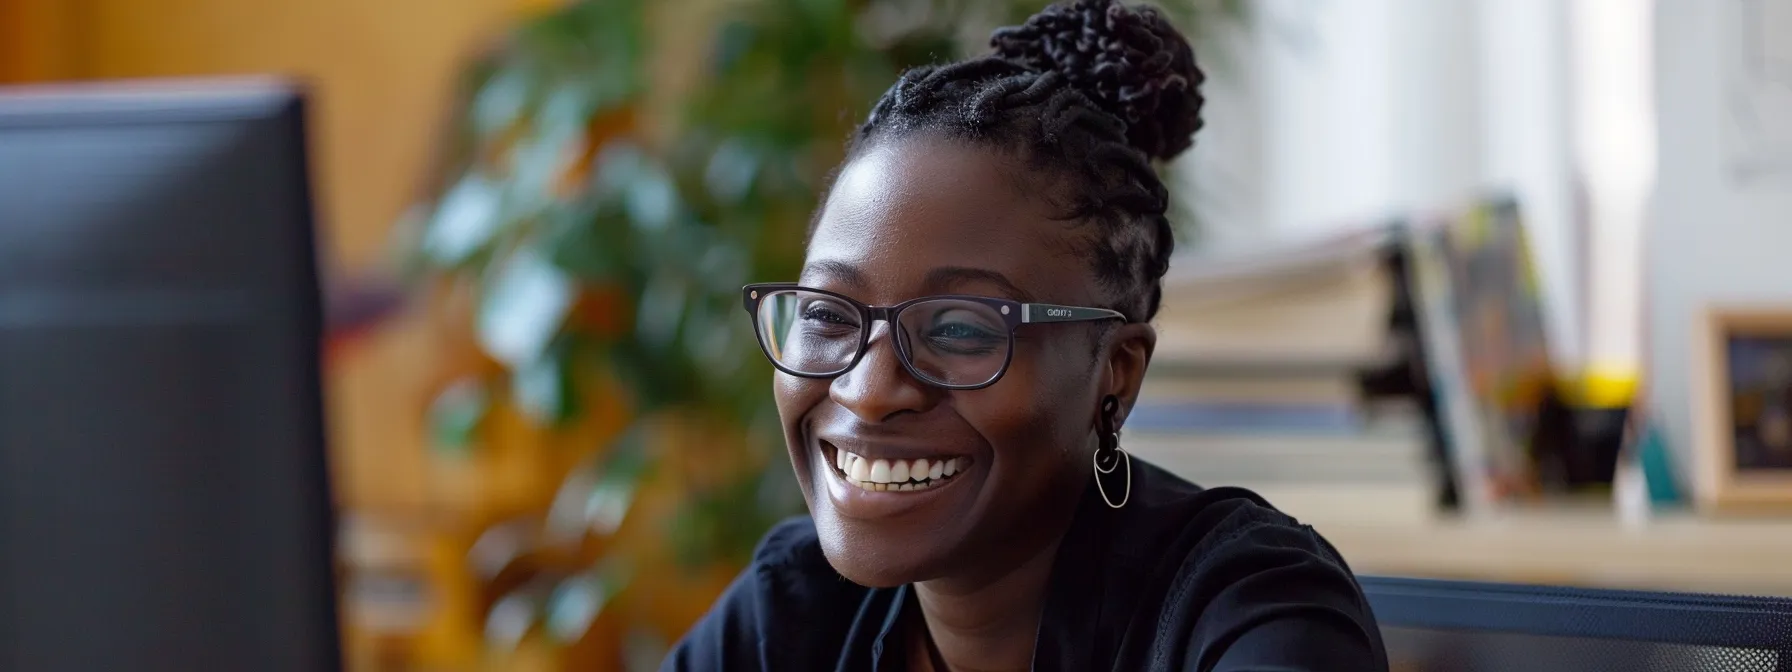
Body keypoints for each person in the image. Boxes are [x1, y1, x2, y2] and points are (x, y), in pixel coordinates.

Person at [664, 1, 1389, 669]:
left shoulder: (1246, 608)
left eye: (958, 327)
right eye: (826, 314)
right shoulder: (795, 612)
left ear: (1116, 373)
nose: (871, 390)